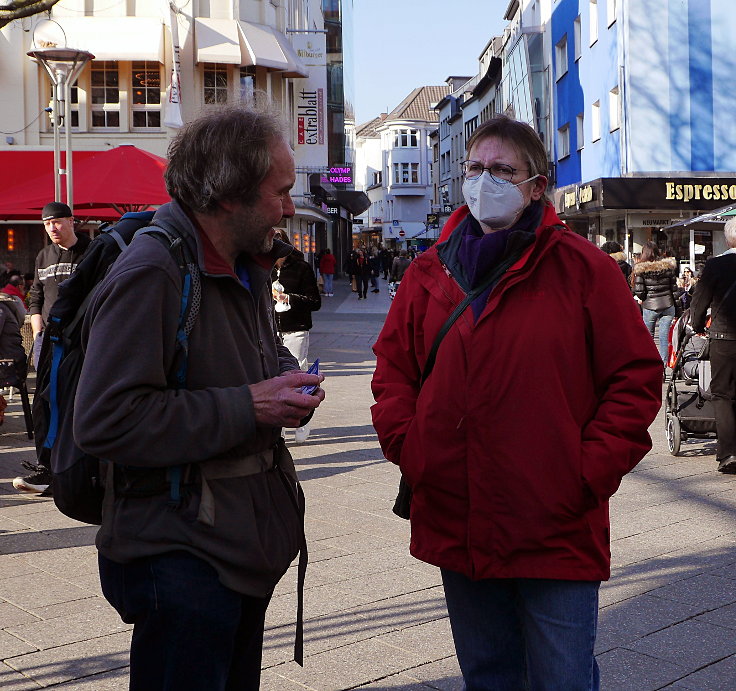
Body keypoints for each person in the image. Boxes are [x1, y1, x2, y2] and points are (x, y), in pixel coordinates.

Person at [371, 114, 663, 691]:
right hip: (458, 512)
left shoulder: (584, 269)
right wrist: (412, 448)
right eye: (476, 168)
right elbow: (394, 372)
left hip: (554, 518)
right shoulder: (429, 272)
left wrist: (586, 471)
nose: (486, 181)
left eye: (503, 170)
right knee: (489, 677)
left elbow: (635, 377)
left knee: (564, 678)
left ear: (537, 184)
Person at [72, 103, 324, 690]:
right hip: (183, 556)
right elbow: (106, 419)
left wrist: (284, 382)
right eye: (280, 191)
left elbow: (247, 362)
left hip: (235, 548)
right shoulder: (153, 271)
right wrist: (251, 405)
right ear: (227, 195)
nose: (288, 206)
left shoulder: (246, 262)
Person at [12, 202, 91, 495]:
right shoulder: (44, 255)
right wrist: (36, 328)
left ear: (72, 221)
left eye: (57, 222)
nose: (52, 228)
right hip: (48, 338)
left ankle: (67, 466)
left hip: (80, 338)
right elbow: (36, 295)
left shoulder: (92, 250)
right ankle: (47, 466)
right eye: (47, 224)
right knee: (44, 401)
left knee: (71, 399)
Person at [690, 218, 736, 474]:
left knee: (723, 393)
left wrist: (695, 326)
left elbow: (700, 300)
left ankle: (729, 453)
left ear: (728, 239)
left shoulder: (716, 265)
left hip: (724, 338)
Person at [272, 229, 321, 443]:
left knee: (297, 374)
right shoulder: (264, 269)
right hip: (270, 328)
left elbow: (315, 301)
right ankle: (278, 425)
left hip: (296, 327)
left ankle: (303, 418)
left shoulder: (301, 268)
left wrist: (289, 298)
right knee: (272, 375)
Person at [633, 241, 678, 365]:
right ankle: (663, 366)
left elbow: (639, 291)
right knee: (663, 337)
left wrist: (643, 297)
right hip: (668, 304)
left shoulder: (641, 269)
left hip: (650, 306)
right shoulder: (668, 267)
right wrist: (678, 308)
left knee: (648, 337)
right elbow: (674, 289)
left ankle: (650, 364)